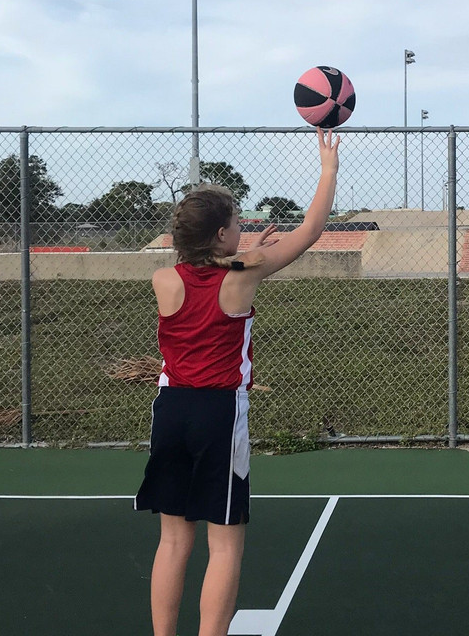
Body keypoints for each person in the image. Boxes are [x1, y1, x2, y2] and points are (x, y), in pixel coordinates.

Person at [135, 127, 340, 636]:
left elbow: (202, 266)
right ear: (224, 234)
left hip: (171, 411)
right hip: (218, 414)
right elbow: (311, 231)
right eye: (234, 223)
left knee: (173, 542)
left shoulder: (165, 280)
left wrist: (242, 249)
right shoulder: (242, 276)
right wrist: (328, 169)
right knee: (224, 543)